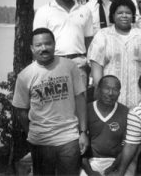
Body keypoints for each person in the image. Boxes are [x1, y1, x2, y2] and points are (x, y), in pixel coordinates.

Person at [12, 28, 89, 176]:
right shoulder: (25, 76)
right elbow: (21, 110)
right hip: (41, 141)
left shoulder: (69, 66)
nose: (44, 48)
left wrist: (83, 132)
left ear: (54, 44)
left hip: (69, 138)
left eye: (48, 44)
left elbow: (80, 99)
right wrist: (32, 133)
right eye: (39, 45)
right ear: (32, 48)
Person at [87, 0, 141, 109]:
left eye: (128, 13)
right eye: (120, 13)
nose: (124, 15)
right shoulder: (102, 36)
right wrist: (101, 94)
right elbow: (96, 70)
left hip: (140, 100)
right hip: (111, 100)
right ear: (113, 16)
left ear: (133, 16)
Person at [33, 0, 93, 88]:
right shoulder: (44, 11)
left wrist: (90, 66)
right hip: (52, 65)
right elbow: (37, 43)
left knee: (80, 103)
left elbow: (89, 41)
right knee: (55, 104)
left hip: (79, 65)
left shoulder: (85, 11)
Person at [81, 75, 135, 176]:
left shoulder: (126, 113)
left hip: (116, 161)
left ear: (119, 93)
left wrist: (114, 168)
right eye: (107, 88)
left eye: (115, 90)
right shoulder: (86, 110)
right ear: (98, 90)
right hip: (90, 162)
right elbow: (79, 146)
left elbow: (127, 147)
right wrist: (90, 171)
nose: (110, 93)